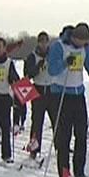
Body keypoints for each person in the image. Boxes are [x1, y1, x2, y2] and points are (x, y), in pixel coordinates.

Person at [48, 23, 89, 177]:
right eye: (81, 41)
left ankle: (79, 171)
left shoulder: (85, 48)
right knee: (64, 136)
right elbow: (52, 70)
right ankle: (64, 171)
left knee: (81, 134)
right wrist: (65, 62)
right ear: (74, 37)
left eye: (85, 42)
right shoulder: (59, 46)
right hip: (61, 94)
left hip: (78, 94)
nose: (82, 45)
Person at [24, 31, 54, 159]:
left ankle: (60, 145)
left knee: (57, 119)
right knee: (37, 121)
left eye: (45, 41)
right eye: (41, 41)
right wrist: (37, 67)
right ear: (38, 43)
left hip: (52, 89)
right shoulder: (32, 56)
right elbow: (27, 75)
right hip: (38, 89)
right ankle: (34, 148)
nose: (43, 44)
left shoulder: (52, 55)